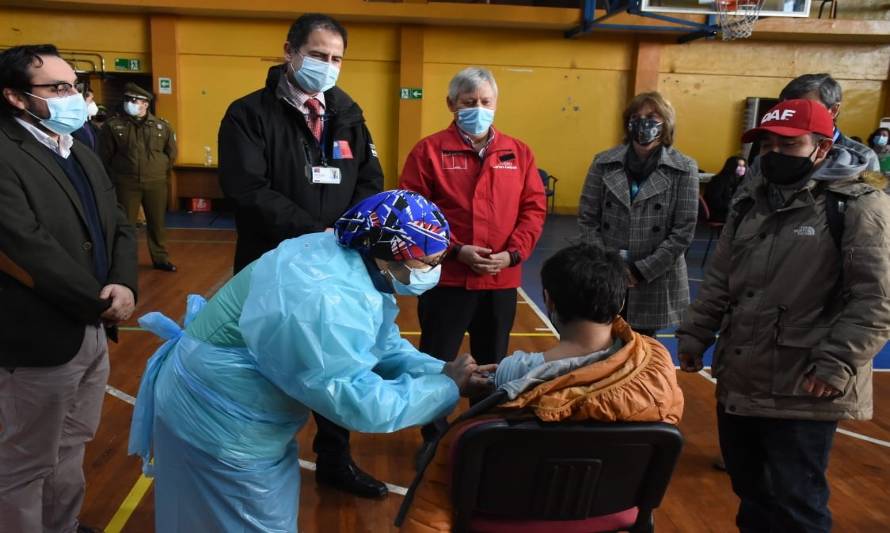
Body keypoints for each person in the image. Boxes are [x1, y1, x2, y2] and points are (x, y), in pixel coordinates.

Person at [128, 190, 488, 532]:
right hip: (220, 423)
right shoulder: (324, 297)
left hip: (227, 406)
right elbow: (359, 403)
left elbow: (378, 345)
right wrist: (445, 387)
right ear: (388, 252)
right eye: (429, 261)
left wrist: (440, 370)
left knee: (207, 517)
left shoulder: (341, 257)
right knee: (244, 520)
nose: (434, 270)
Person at [677, 99, 890, 533]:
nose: (773, 153)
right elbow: (721, 276)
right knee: (751, 491)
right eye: (767, 143)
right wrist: (696, 331)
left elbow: (877, 299)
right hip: (743, 371)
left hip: (805, 382)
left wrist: (834, 364)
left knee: (796, 503)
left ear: (822, 148)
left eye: (788, 144)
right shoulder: (751, 201)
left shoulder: (859, 207)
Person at [398, 243, 684, 532]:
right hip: (611, 509)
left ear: (549, 301)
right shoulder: (654, 369)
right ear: (620, 302)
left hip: (510, 511)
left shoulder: (512, 373)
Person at [217, 13, 386, 497]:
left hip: (338, 265)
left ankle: (335, 459)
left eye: (336, 58)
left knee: (336, 359)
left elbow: (370, 179)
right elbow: (247, 188)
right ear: (290, 52)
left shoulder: (348, 114)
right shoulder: (248, 114)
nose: (327, 66)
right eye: (318, 54)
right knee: (264, 365)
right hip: (270, 263)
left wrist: (351, 231)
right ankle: (253, 464)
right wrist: (320, 232)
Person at [0, 44, 137, 533]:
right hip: (39, 335)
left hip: (91, 327)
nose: (73, 97)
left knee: (72, 443)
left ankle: (62, 524)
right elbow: (24, 246)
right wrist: (97, 302)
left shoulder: (80, 146)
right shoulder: (5, 153)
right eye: (57, 88)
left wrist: (122, 281)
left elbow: (118, 219)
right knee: (26, 458)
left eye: (74, 86)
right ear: (16, 98)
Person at [578, 91, 698, 338]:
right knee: (600, 347)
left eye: (652, 116)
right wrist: (611, 267)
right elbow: (587, 219)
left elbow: (683, 232)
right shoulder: (603, 162)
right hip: (608, 273)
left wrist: (640, 271)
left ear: (665, 123)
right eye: (636, 116)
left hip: (654, 278)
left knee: (643, 353)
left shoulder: (684, 168)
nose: (643, 122)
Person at [99, 82, 178, 272]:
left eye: (135, 100)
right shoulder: (113, 126)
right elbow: (104, 155)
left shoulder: (162, 126)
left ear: (146, 104)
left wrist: (158, 169)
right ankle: (123, 261)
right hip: (126, 182)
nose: (130, 103)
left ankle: (160, 258)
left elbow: (171, 154)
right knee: (125, 224)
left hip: (156, 182)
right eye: (128, 99)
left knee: (157, 222)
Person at [779, 73, 880, 172]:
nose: (793, 115)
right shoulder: (774, 147)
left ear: (833, 110)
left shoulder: (864, 157)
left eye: (806, 108)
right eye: (787, 109)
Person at [703, 156, 746, 222]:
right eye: (739, 166)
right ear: (731, 166)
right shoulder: (719, 180)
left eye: (743, 166)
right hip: (717, 212)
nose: (742, 168)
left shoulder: (738, 181)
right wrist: (731, 208)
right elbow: (715, 201)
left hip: (727, 211)